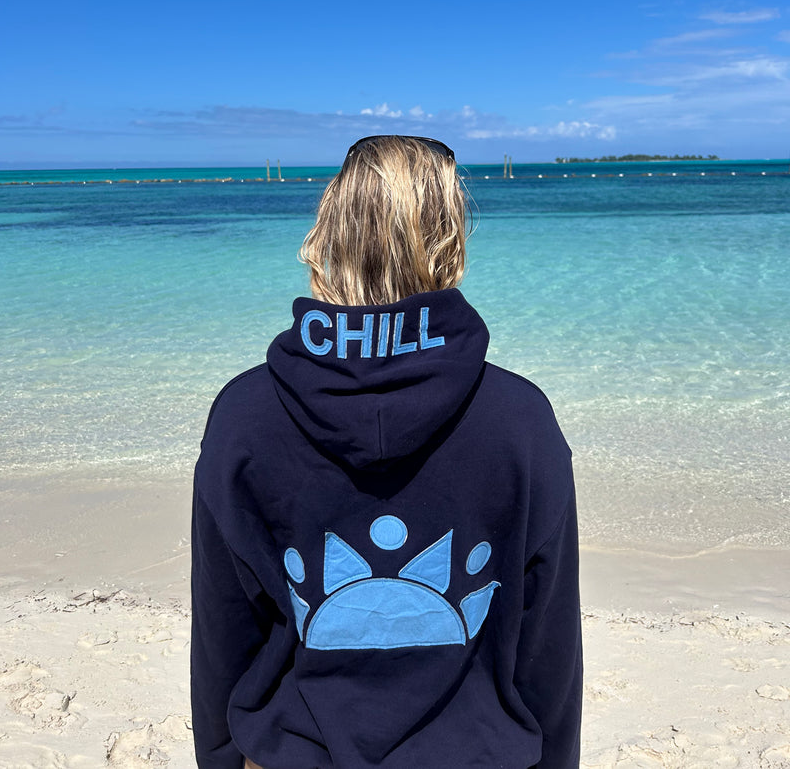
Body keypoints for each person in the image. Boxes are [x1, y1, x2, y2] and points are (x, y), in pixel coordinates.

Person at [191, 135, 582, 769]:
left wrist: (216, 757)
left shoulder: (244, 416)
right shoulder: (520, 421)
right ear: (450, 242)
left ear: (327, 235)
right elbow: (547, 651)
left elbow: (223, 637)